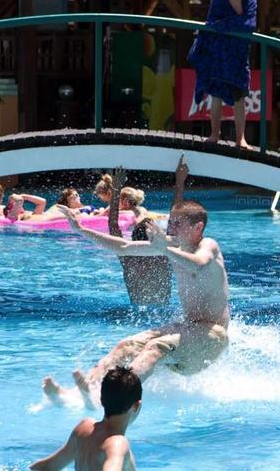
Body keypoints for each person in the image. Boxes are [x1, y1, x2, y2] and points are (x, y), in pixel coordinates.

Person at [46, 196, 229, 408]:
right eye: (170, 222)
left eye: (177, 223)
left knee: (156, 346)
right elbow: (124, 246)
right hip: (189, 331)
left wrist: (164, 249)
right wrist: (80, 229)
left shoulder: (208, 245)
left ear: (198, 227)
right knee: (126, 346)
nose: (170, 227)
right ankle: (80, 394)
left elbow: (198, 264)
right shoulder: (172, 245)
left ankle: (111, 400)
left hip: (212, 336)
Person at [189, 0, 257, 148]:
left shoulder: (251, 1)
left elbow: (249, 25)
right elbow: (214, 21)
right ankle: (214, 134)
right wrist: (232, 23)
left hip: (239, 54)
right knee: (216, 94)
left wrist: (224, 25)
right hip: (218, 53)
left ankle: (240, 138)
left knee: (239, 96)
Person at [107, 156, 189, 305]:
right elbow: (175, 217)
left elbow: (113, 226)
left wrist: (116, 189)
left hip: (134, 317)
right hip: (163, 317)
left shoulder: (129, 258)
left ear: (133, 239)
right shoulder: (165, 253)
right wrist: (179, 182)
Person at [32, 367, 141, 471]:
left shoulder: (84, 429)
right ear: (136, 406)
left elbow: (45, 468)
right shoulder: (117, 444)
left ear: (101, 399)